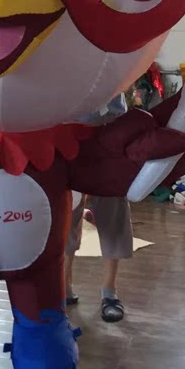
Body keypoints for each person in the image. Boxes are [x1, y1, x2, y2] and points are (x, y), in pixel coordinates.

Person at [66, 93, 133, 322]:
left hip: (109, 132)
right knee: (66, 215)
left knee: (112, 214)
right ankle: (64, 287)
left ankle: (110, 290)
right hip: (69, 130)